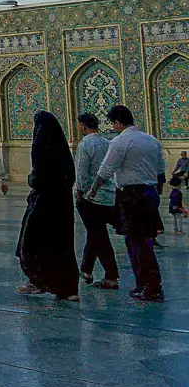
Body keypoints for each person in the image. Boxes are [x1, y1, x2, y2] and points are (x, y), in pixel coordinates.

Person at [88, 104, 165, 303]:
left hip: (132, 196)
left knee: (137, 242)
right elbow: (160, 170)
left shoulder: (120, 142)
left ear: (118, 122)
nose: (113, 127)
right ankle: (147, 285)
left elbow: (106, 170)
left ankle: (150, 288)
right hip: (150, 192)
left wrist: (93, 189)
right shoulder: (151, 140)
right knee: (144, 240)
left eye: (113, 123)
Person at [15, 111, 80, 302]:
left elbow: (39, 175)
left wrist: (33, 180)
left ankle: (39, 281)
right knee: (61, 246)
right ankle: (67, 288)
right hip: (62, 206)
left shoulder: (42, 148)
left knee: (33, 242)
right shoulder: (62, 152)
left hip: (44, 204)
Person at [73, 112, 120, 290]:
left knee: (99, 236)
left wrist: (79, 192)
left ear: (83, 125)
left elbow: (82, 173)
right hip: (109, 195)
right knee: (95, 233)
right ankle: (86, 270)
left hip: (90, 198)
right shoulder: (107, 142)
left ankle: (111, 276)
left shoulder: (85, 145)